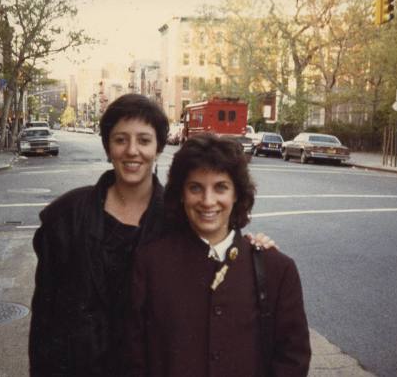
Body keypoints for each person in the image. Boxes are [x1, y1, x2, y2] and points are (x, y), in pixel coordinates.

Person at [29, 94, 276, 376]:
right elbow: (45, 322)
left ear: (158, 147)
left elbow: (222, 264)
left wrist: (255, 249)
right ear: (108, 147)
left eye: (144, 140)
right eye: (121, 139)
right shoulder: (66, 216)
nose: (132, 151)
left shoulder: (183, 219)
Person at [128, 134, 311, 377]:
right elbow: (132, 355)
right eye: (195, 188)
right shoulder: (150, 263)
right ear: (181, 193)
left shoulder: (277, 268)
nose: (208, 201)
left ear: (237, 194)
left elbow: (293, 358)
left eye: (221, 187)